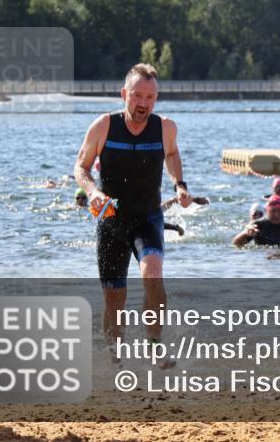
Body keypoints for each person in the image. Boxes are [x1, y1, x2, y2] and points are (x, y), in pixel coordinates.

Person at [73, 63, 192, 361]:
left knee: (153, 276)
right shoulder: (104, 126)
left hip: (148, 217)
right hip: (111, 219)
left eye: (150, 97)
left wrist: (180, 184)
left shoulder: (165, 127)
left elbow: (173, 153)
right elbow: (81, 167)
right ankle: (115, 358)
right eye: (137, 95)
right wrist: (93, 192)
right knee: (114, 300)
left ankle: (154, 345)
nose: (143, 103)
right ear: (124, 94)